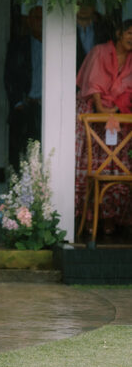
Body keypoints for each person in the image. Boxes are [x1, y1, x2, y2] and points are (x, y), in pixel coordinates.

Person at [75, 19, 132, 234]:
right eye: (128, 32)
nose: (131, 38)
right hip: (92, 114)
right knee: (92, 164)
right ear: (118, 33)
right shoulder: (100, 52)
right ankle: (88, 218)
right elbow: (94, 85)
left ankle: (111, 217)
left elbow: (129, 93)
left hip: (118, 117)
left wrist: (115, 110)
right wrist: (101, 109)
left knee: (117, 167)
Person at [4, 4, 42, 168]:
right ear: (29, 21)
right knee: (19, 158)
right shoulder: (18, 45)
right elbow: (9, 76)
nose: (40, 22)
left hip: (46, 108)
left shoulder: (56, 46)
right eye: (36, 18)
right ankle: (20, 192)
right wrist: (17, 102)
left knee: (45, 153)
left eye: (43, 18)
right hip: (24, 107)